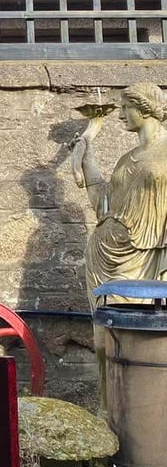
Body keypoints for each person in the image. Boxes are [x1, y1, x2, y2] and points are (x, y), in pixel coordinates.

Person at [73, 82, 167, 410]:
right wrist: (87, 157)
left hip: (145, 255)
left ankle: (145, 417)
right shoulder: (127, 159)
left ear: (145, 108)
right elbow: (103, 205)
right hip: (103, 256)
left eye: (126, 107)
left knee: (143, 339)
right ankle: (109, 411)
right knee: (105, 337)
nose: (121, 114)